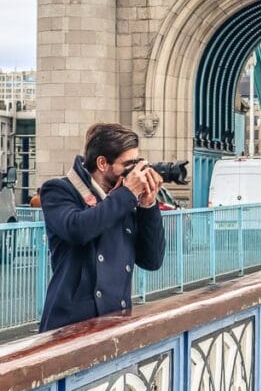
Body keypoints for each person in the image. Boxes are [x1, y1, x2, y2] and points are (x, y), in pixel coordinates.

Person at [39, 122, 166, 332]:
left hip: (117, 324)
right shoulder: (59, 190)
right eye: (128, 163)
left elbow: (152, 260)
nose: (134, 171)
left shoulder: (123, 198)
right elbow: (77, 229)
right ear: (102, 163)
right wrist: (126, 195)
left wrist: (148, 206)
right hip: (71, 327)